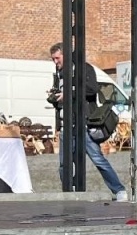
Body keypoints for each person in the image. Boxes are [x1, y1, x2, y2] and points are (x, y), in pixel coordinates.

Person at [48, 42, 127, 200]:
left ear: (66, 55)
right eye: (53, 59)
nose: (55, 62)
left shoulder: (83, 68)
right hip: (66, 126)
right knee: (64, 166)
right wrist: (54, 97)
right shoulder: (59, 74)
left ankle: (119, 190)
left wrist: (69, 93)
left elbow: (91, 89)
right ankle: (70, 194)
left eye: (57, 58)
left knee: (98, 159)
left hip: (83, 124)